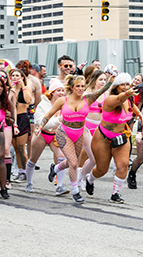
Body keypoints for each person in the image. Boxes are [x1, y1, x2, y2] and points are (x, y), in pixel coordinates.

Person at [39, 73, 113, 203]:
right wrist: (40, 127)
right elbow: (49, 114)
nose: (80, 88)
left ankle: (55, 169)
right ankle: (75, 192)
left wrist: (110, 82)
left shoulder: (88, 99)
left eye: (83, 86)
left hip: (78, 134)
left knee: (70, 162)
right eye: (78, 86)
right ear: (72, 87)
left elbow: (102, 90)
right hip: (64, 133)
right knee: (74, 163)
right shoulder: (63, 100)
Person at [85, 73, 139, 204]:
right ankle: (90, 179)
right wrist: (127, 93)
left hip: (121, 136)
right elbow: (120, 99)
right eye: (123, 85)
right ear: (116, 86)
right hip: (103, 137)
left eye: (127, 84)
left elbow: (131, 106)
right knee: (101, 170)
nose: (126, 87)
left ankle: (115, 193)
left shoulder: (128, 98)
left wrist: (140, 114)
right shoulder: (110, 99)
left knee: (123, 165)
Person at [26, 78, 67, 194]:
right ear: (52, 92)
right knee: (33, 160)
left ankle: (59, 186)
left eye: (63, 90)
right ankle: (29, 182)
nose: (61, 93)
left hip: (56, 135)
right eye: (58, 90)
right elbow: (41, 122)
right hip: (42, 134)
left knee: (62, 158)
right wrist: (58, 120)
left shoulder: (65, 104)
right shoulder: (42, 105)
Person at [10, 68, 33, 183]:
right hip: (13, 119)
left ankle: (28, 172)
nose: (15, 77)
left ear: (22, 77)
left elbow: (28, 100)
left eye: (17, 75)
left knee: (20, 146)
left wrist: (22, 85)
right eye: (13, 75)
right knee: (15, 148)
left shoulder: (26, 88)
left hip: (23, 117)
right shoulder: (11, 90)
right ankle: (20, 171)